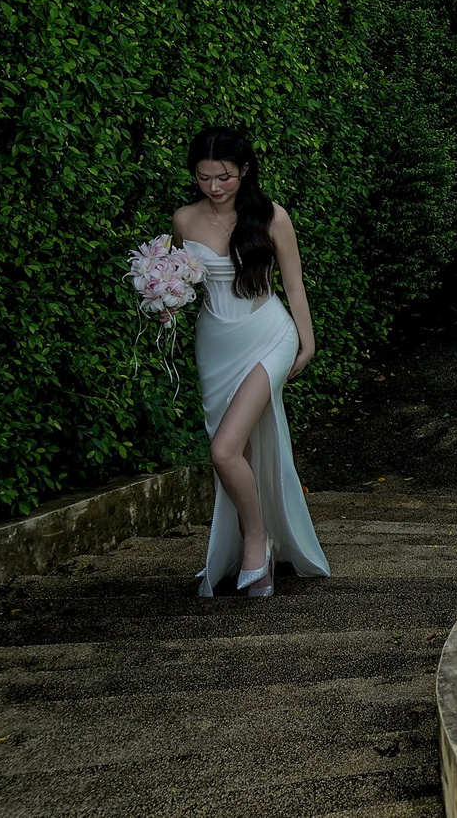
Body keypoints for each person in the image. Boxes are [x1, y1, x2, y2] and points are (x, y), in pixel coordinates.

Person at [174, 126, 331, 598]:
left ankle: (257, 543)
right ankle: (251, 543)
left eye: (224, 177)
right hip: (215, 344)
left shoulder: (271, 216)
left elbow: (294, 284)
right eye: (204, 178)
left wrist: (307, 341)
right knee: (235, 453)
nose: (215, 187)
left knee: (222, 450)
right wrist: (163, 300)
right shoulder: (184, 219)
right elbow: (181, 282)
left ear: (244, 170)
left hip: (269, 336)